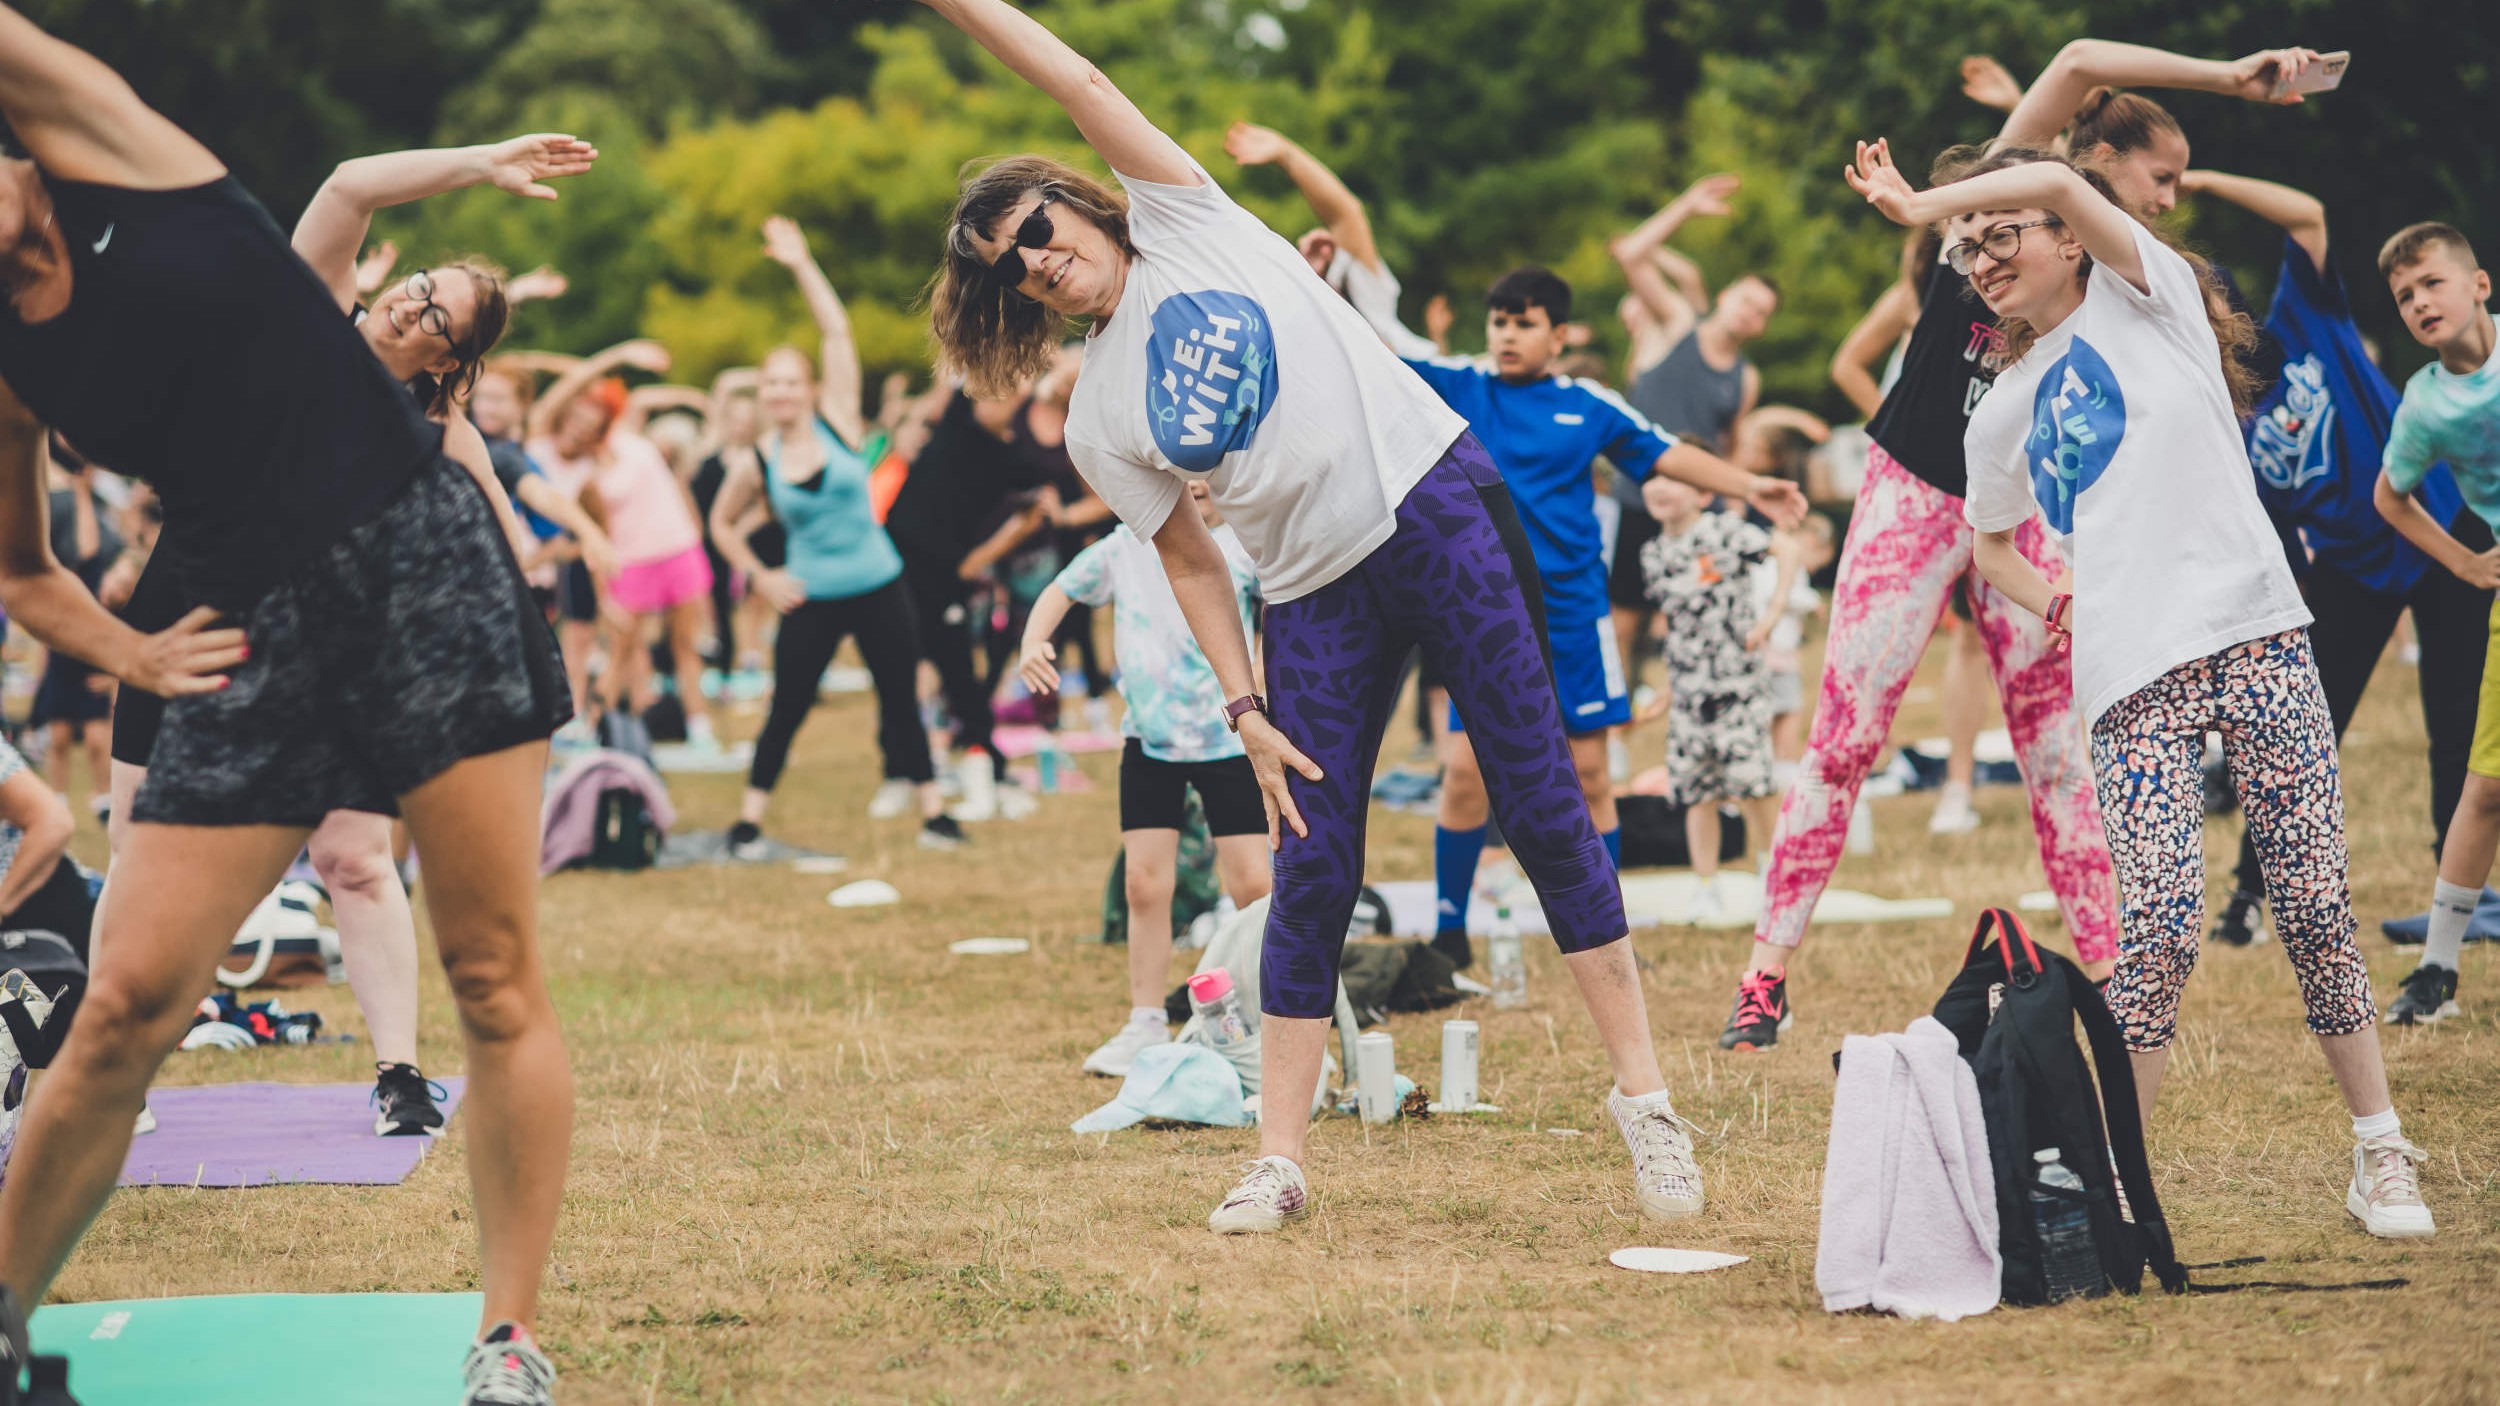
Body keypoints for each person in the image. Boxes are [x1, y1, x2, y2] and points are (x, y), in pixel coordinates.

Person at [918, 0, 1818, 1235]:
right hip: (1306, 591)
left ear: (1076, 203)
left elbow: (1072, 68)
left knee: (1543, 804)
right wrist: (1242, 707)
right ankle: (1278, 1158)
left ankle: (1645, 1100)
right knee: (1312, 864)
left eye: (1035, 228)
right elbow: (1187, 559)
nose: (1034, 258)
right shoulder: (1092, 417)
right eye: (1008, 264)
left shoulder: (1189, 216)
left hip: (1436, 506)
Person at [0, 17, 579, 1400]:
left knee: (491, 975)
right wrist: (134, 658)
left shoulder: (113, 151)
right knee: (129, 999)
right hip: (241, 623)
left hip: (421, 566)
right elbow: (23, 569)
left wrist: (483, 162)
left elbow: (352, 184)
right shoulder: (13, 360)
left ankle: (508, 1337)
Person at [1845, 134, 2432, 1240]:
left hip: (2256, 629)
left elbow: (2063, 176)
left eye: (1998, 234)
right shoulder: (2001, 406)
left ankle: (2379, 1151)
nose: (1980, 257)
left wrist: (1925, 200)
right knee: (2156, 926)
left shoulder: (2148, 295)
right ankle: (2118, 1181)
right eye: (1965, 248)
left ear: (2071, 238)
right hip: (2130, 675)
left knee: (2312, 905)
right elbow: (1991, 545)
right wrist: (2058, 602)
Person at [1721, 38, 2322, 1052]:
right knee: (1845, 731)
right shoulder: (2005, 207)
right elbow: (2079, 61)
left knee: (2054, 753)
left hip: (2020, 513)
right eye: (2159, 177)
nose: (2168, 200)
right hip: (1912, 487)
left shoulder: (2112, 283)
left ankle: (2110, 982)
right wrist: (2230, 80)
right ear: (2100, 154)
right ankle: (1763, 975)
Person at [1401, 267, 1802, 964]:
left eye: (1524, 324)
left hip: (1574, 619)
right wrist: (1326, 279)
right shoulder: (1461, 384)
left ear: (1559, 335)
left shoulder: (1587, 405)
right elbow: (1367, 350)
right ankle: (1447, 932)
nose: (1507, 336)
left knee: (1590, 776)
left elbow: (1667, 453)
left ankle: (1606, 927)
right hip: (1484, 617)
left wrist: (1750, 485)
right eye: (1499, 321)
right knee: (1465, 774)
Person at [2163, 179, 2495, 956]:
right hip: (2351, 570)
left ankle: (2470, 905)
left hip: (2441, 529)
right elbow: (2267, 533)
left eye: (2209, 305)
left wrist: (2198, 180)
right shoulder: (2219, 417)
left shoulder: (2308, 324)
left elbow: (2309, 213)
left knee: (2455, 730)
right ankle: (2250, 895)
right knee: (2303, 732)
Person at [709, 216, 962, 855]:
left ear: (811, 389)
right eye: (772, 384)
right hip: (810, 595)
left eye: (791, 381)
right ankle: (748, 821)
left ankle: (935, 813)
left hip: (880, 584)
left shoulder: (839, 421)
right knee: (786, 709)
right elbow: (719, 524)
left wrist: (799, 263)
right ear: (762, 395)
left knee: (901, 700)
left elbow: (835, 329)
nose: (782, 392)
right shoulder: (755, 461)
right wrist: (761, 576)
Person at [1019, 480, 1273, 1075]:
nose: (1197, 484)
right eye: (1181, 474)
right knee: (1143, 885)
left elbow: (1279, 616)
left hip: (1229, 739)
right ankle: (1145, 1021)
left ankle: (1265, 1014)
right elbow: (1060, 590)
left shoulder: (1243, 547)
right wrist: (1034, 638)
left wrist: (1262, 673)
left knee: (1253, 885)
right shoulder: (1125, 546)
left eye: (1209, 471)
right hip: (1150, 742)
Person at [2371, 222, 2500, 1027]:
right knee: (2484, 789)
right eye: (2405, 296)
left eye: (2432, 283)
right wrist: (2463, 563)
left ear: (2479, 284)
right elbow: (2390, 498)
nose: (2421, 302)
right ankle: (2436, 972)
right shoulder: (2425, 405)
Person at [1604, 174, 1781, 693]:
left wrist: (1731, 505)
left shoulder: (1745, 378)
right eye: (1747, 301)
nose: (1751, 314)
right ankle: (1615, 727)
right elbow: (1634, 254)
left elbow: (1731, 450)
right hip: (1637, 496)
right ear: (1725, 297)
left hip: (1695, 512)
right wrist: (1685, 205)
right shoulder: (1676, 322)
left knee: (1694, 620)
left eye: (1762, 313)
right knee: (1623, 621)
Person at [528, 345, 719, 747]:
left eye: (591, 419)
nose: (583, 426)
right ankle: (597, 731)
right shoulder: (579, 470)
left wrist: (682, 393)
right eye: (576, 418)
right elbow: (594, 536)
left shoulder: (629, 435)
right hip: (631, 564)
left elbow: (602, 388)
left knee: (685, 645)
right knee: (621, 652)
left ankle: (701, 731)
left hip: (678, 549)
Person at [1638, 475, 1801, 918]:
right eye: (1653, 480)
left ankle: (1772, 880)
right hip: (1690, 693)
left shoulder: (1724, 530)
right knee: (1698, 792)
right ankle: (1705, 885)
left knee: (1754, 785)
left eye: (1674, 479)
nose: (1659, 488)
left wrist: (1772, 614)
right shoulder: (1653, 553)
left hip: (1739, 685)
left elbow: (1787, 548)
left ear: (1702, 492)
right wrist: (1667, 692)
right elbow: (1679, 625)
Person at [30, 447, 117, 814]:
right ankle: (58, 797)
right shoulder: (61, 565)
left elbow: (90, 550)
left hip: (91, 647)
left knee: (98, 737)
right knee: (60, 735)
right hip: (64, 647)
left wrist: (83, 489)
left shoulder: (95, 557)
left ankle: (105, 799)